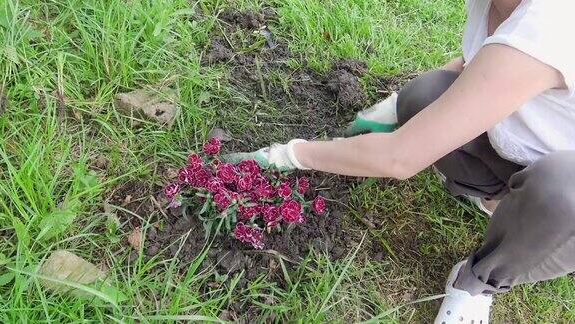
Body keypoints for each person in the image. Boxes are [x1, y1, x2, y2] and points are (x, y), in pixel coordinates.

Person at [225, 0, 575, 322]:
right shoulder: (498, 3)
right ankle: (499, 198)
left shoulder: (550, 21)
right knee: (425, 96)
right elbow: (481, 66)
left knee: (562, 190)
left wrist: (291, 154)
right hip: (533, 147)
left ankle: (479, 281)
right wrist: (396, 104)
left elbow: (399, 157)